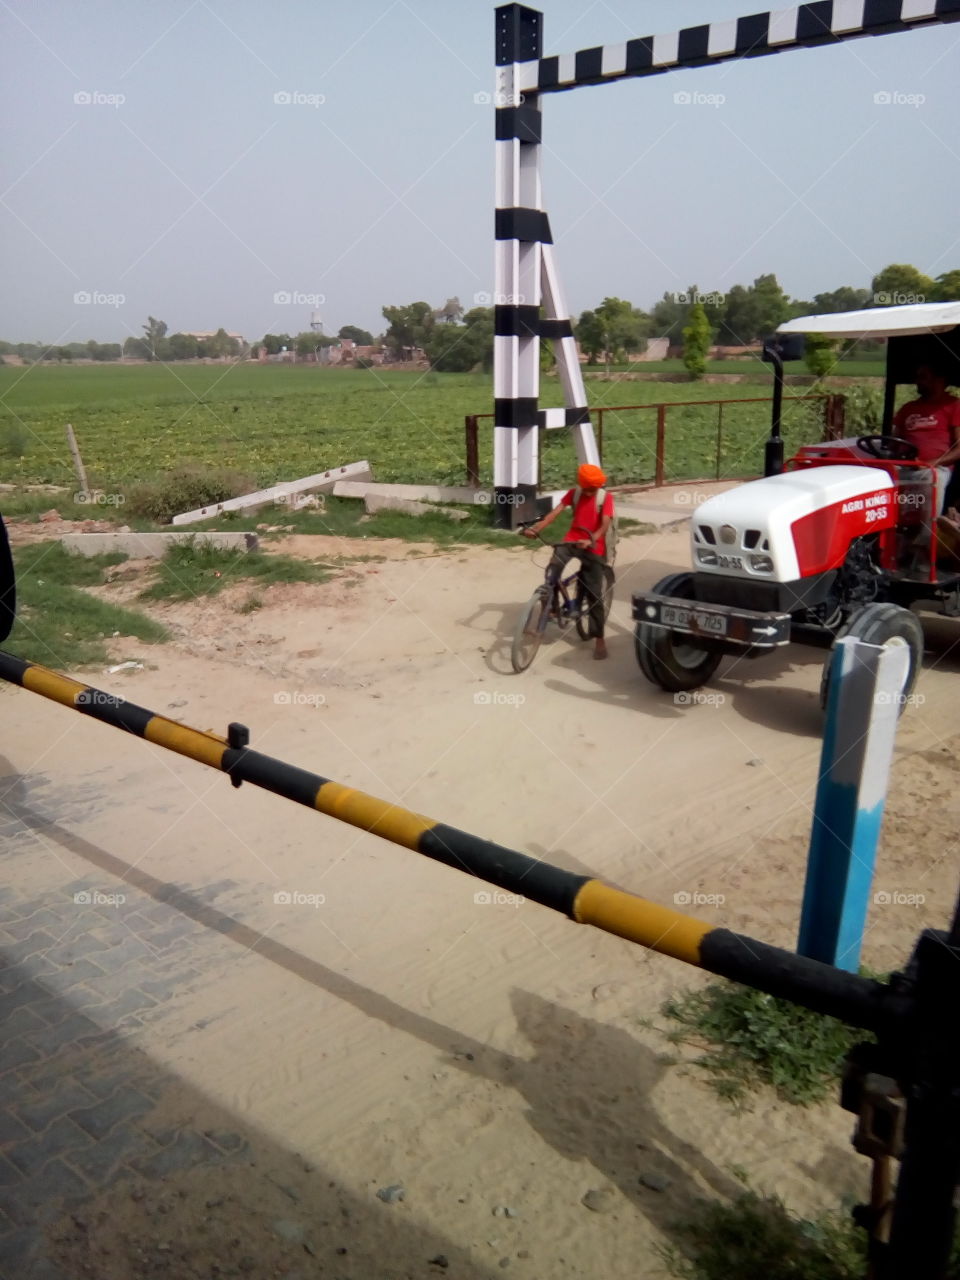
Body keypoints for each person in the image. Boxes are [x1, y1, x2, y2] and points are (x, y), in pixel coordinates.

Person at [522, 463, 614, 660]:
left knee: (594, 593)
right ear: (581, 484)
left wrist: (592, 539)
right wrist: (537, 528)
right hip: (572, 540)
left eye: (593, 489)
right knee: (551, 570)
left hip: (593, 545)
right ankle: (553, 608)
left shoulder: (605, 498)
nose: (590, 492)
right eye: (587, 488)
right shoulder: (575, 493)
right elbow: (556, 512)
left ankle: (599, 638)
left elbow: (605, 523)